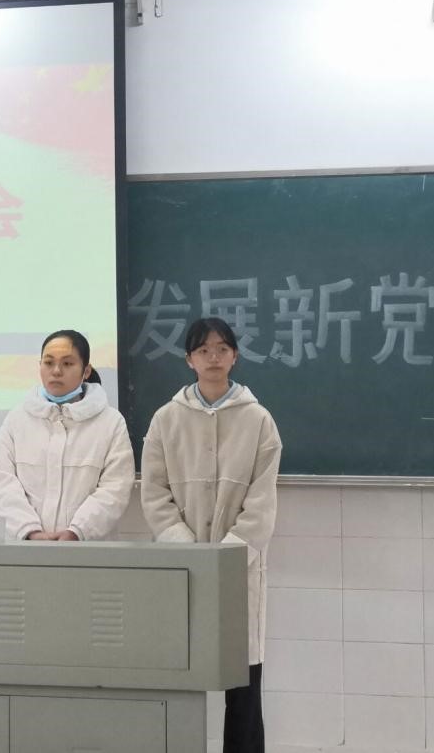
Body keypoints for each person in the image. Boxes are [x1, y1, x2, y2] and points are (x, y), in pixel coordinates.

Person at [140, 317, 281, 753]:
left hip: (240, 570)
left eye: (222, 349)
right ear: (189, 360)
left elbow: (261, 505)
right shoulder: (166, 419)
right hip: (182, 569)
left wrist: (225, 558)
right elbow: (154, 495)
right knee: (181, 676)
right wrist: (191, 553)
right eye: (203, 350)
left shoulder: (259, 420)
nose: (213, 357)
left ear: (235, 356)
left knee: (243, 686)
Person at [0, 330, 134, 540]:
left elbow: (115, 488)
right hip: (27, 548)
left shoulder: (110, 422)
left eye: (67, 363)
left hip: (89, 549)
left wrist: (78, 531)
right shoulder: (17, 419)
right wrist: (29, 530)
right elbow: (1, 481)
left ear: (86, 371)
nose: (56, 371)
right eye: (48, 363)